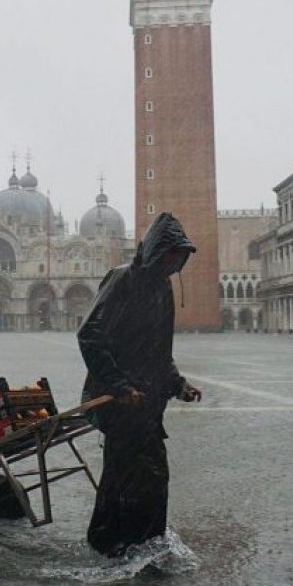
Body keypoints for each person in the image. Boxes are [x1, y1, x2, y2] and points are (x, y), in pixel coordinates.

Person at [77, 211, 202, 556]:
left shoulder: (162, 288)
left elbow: (160, 351)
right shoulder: (122, 280)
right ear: (156, 251)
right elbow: (90, 335)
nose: (174, 265)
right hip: (119, 402)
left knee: (153, 476)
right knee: (123, 474)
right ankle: (110, 542)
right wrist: (119, 386)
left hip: (147, 403)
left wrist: (179, 385)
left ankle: (145, 542)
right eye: (171, 256)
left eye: (180, 259)